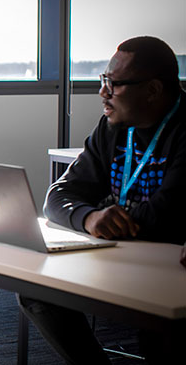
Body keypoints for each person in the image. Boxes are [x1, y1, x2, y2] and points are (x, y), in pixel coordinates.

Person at [18, 36, 186, 364]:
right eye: (103, 81)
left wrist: (114, 220)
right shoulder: (113, 127)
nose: (103, 93)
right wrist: (89, 218)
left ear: (152, 90)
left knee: (160, 331)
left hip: (169, 263)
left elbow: (169, 214)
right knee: (37, 291)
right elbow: (58, 196)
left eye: (115, 84)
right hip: (125, 254)